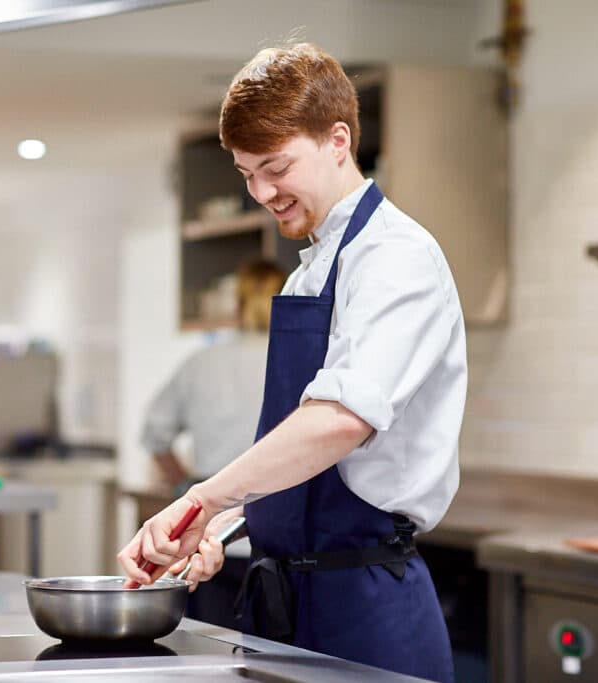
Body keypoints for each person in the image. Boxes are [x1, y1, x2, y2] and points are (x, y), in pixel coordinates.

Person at [118, 43, 466, 683]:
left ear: (339, 140)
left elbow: (339, 423)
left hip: (365, 609)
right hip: (285, 607)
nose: (262, 192)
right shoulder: (312, 273)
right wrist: (219, 528)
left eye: (276, 167)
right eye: (248, 174)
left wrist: (200, 496)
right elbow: (304, 471)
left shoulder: (396, 259)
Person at [140, 258, 285, 628]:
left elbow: (155, 435)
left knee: (206, 649)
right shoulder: (296, 361)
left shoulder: (201, 363)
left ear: (236, 304)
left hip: (206, 538)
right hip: (275, 533)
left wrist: (185, 487)